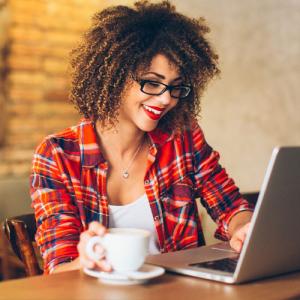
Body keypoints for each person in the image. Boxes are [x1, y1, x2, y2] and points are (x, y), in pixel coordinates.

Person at [30, 0, 254, 275]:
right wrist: (87, 261)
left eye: (175, 87)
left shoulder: (182, 137)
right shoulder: (58, 155)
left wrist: (243, 227)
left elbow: (231, 207)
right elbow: (59, 270)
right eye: (152, 82)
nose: (165, 99)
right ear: (114, 75)